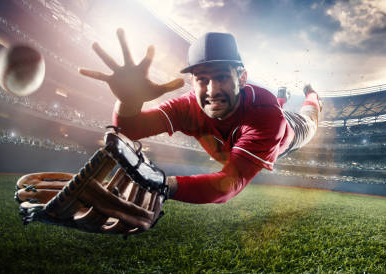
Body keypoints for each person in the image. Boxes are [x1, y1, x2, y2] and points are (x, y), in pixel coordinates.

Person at [80, 29, 321, 204]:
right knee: (278, 107)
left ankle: (312, 95)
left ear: (243, 78)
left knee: (310, 119)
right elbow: (129, 131)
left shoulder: (266, 116)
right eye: (202, 79)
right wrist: (128, 101)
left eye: (222, 77)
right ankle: (283, 97)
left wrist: (163, 185)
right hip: (263, 118)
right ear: (193, 82)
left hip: (290, 131)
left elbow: (229, 184)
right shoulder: (188, 105)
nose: (213, 90)